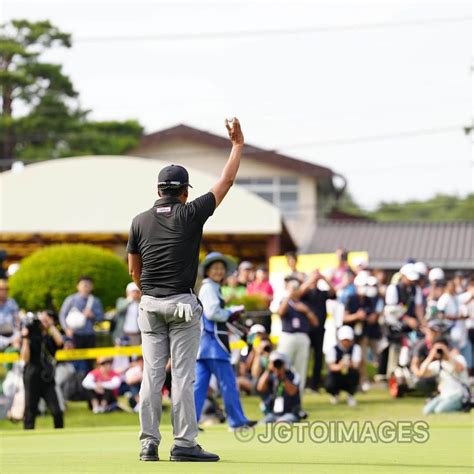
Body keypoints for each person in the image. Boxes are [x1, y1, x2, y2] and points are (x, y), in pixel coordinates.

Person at [127, 117, 244, 463]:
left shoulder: (139, 221)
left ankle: (148, 443)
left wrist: (149, 291)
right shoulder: (192, 213)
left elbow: (135, 269)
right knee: (182, 376)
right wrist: (237, 144)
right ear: (185, 191)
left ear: (158, 190)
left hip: (150, 303)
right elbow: (227, 181)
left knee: (151, 374)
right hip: (181, 303)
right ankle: (184, 444)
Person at [194, 252, 254, 430]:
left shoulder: (209, 287)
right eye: (215, 268)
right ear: (207, 271)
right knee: (228, 383)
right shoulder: (210, 288)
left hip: (203, 345)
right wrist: (230, 312)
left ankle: (189, 424)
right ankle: (236, 421)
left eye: (221, 268)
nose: (219, 271)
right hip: (215, 344)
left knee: (198, 387)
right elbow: (212, 313)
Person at [20, 311, 64, 429]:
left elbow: (60, 341)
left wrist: (50, 325)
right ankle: (27, 437)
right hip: (32, 376)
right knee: (30, 411)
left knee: (56, 411)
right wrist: (25, 338)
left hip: (47, 378)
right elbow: (25, 358)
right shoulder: (31, 338)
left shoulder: (49, 339)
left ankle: (60, 435)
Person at [277, 277, 318, 393]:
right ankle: (282, 395)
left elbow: (315, 322)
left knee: (301, 368)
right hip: (288, 336)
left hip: (302, 336)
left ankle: (298, 397)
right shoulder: (285, 301)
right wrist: (289, 296)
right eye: (292, 288)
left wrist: (306, 311)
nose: (295, 291)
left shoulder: (304, 303)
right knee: (283, 366)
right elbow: (280, 312)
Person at [299, 269, 336, 391]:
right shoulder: (306, 293)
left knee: (318, 357)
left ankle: (315, 383)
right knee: (304, 356)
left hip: (320, 329)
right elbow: (299, 292)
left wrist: (324, 279)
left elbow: (334, 293)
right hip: (306, 329)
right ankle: (303, 382)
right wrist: (311, 279)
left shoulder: (322, 293)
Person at [418, 337, 469, 415]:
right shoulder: (438, 363)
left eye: (441, 348)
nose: (439, 351)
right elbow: (422, 373)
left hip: (459, 394)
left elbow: (459, 368)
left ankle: (464, 407)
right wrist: (431, 355)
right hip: (444, 395)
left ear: (447, 347)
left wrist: (447, 353)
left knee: (439, 410)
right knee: (426, 411)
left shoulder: (458, 358)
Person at [58, 275, 104, 352]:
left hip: (89, 334)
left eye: (88, 284)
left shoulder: (95, 301)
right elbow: (62, 314)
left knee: (90, 360)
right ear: (77, 286)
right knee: (75, 360)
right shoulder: (71, 300)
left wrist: (93, 315)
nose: (85, 286)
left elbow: (101, 318)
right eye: (83, 284)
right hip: (74, 334)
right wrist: (66, 329)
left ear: (92, 287)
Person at [257, 351, 301, 423]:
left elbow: (292, 391)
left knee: (282, 422)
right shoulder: (271, 376)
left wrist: (282, 377)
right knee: (263, 423)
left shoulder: (293, 376)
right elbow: (260, 388)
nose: (277, 365)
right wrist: (268, 370)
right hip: (273, 414)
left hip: (290, 412)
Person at [324, 325, 361, 406]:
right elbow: (331, 366)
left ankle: (350, 395)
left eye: (348, 340)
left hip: (349, 375)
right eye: (344, 340)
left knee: (355, 374)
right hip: (337, 375)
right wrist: (340, 366)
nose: (346, 342)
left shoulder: (356, 348)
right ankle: (335, 394)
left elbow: (356, 364)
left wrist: (349, 364)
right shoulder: (333, 349)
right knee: (329, 381)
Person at [0, 279, 19, 350]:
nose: (4, 291)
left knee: (22, 336)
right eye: (2, 289)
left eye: (6, 289)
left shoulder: (12, 302)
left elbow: (17, 320)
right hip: (1, 336)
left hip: (12, 333)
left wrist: (18, 332)